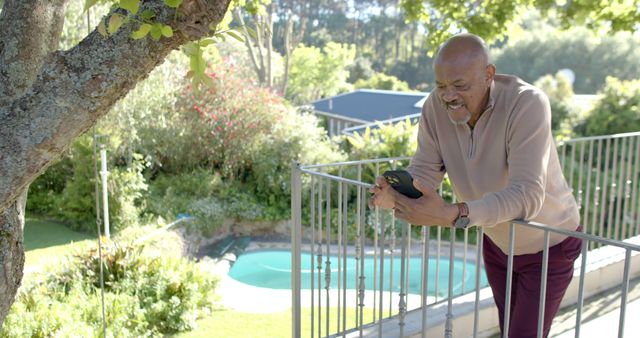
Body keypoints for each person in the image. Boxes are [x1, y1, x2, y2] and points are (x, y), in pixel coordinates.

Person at [368, 33, 582, 338]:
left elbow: (528, 196)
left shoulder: (528, 103)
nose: (448, 96)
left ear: (489, 75)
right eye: (441, 86)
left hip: (550, 245)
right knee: (509, 329)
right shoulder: (434, 106)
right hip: (497, 244)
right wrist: (398, 195)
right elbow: (425, 171)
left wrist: (454, 214)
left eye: (460, 86)